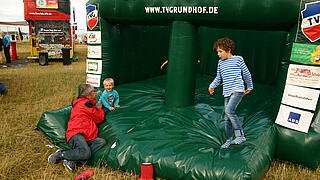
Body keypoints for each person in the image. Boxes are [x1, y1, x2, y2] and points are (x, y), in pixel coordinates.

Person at [48, 84, 106, 171]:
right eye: (94, 91)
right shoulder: (86, 104)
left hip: (86, 135)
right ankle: (60, 154)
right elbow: (99, 118)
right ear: (90, 94)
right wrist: (99, 108)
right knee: (86, 152)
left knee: (101, 142)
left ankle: (71, 160)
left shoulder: (86, 103)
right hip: (76, 133)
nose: (96, 93)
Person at [208, 37, 253, 149]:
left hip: (238, 89)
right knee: (227, 117)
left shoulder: (238, 59)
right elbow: (219, 77)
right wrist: (212, 85)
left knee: (229, 110)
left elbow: (246, 73)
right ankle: (229, 139)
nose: (218, 54)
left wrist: (250, 86)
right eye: (217, 52)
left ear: (228, 50)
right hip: (227, 91)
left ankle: (240, 136)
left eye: (220, 51)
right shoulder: (220, 63)